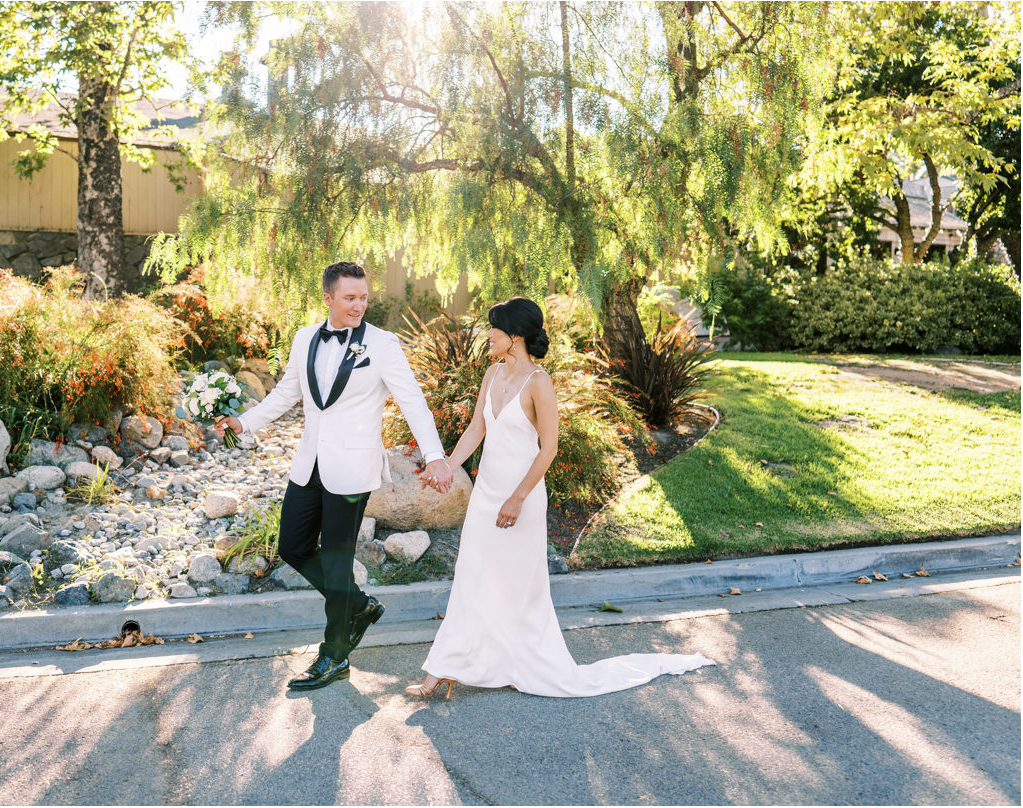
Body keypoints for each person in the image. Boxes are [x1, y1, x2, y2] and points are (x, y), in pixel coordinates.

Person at [407, 297, 716, 699]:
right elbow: (475, 430)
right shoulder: (491, 375)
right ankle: (443, 669)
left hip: (523, 497)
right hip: (487, 494)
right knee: (472, 576)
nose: (487, 335)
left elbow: (548, 448)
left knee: (521, 585)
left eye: (493, 329)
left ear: (514, 336)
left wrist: (517, 499)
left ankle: (519, 662)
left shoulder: (539, 382)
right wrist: (448, 464)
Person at [215, 261, 454, 691]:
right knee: (292, 546)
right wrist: (244, 423)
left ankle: (334, 655)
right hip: (310, 465)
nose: (359, 305)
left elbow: (413, 401)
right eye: (350, 298)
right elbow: (287, 392)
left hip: (353, 470)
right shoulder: (306, 337)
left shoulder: (382, 344)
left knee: (337, 560)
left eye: (363, 297)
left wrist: (435, 456)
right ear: (328, 297)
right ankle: (358, 605)